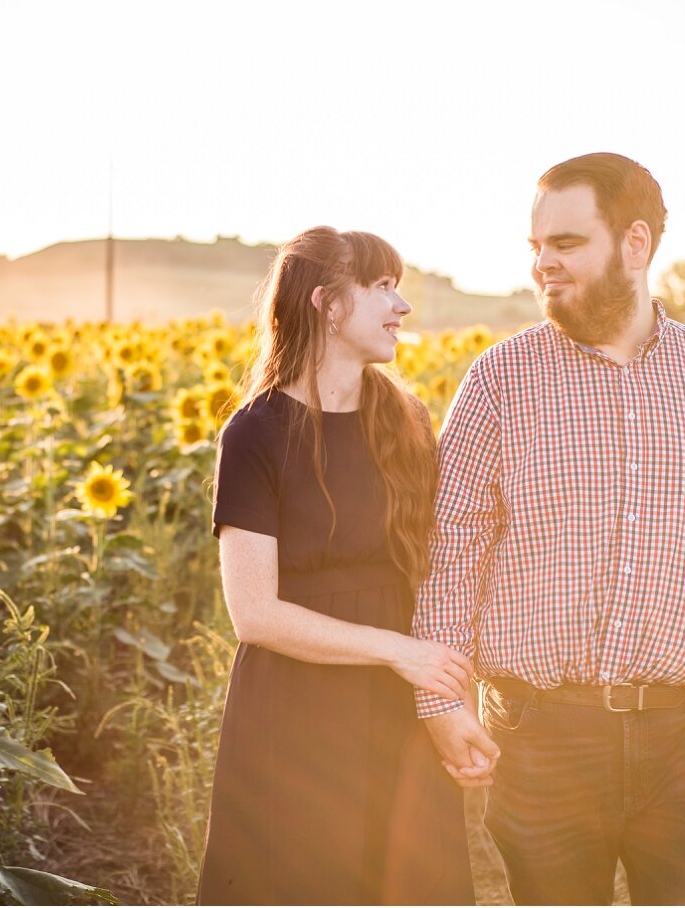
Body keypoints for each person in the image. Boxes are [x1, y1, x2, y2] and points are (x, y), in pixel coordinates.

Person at [414, 153, 685, 906]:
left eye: (566, 243)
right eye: (535, 247)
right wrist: (442, 698)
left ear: (636, 244)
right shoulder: (499, 382)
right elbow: (452, 555)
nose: (543, 264)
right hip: (541, 735)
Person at [198, 226, 476, 906]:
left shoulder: (406, 417)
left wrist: (445, 692)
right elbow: (254, 612)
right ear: (326, 302)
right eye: (382, 287)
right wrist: (398, 651)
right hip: (296, 712)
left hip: (396, 710)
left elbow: (441, 565)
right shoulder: (256, 431)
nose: (401, 305)